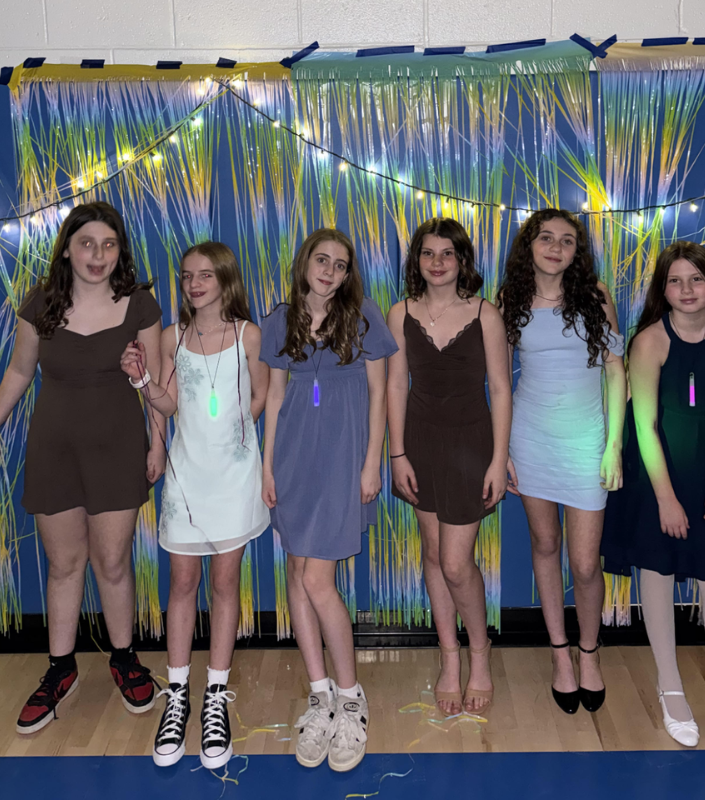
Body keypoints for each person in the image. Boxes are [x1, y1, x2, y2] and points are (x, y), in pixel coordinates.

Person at [0, 202, 163, 733]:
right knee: (63, 565)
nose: (97, 255)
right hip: (53, 450)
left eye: (108, 245)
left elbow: (156, 385)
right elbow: (17, 371)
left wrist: (159, 444)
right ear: (68, 249)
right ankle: (60, 668)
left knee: (113, 562)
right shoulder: (41, 304)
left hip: (118, 449)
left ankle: (124, 659)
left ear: (119, 250)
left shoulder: (140, 306)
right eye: (86, 244)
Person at [601, 242, 705, 763]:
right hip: (658, 473)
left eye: (697, 279)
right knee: (659, 575)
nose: (687, 290)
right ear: (661, 289)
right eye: (675, 281)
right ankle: (670, 688)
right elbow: (643, 425)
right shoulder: (649, 342)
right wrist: (665, 499)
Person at [120, 242, 270, 769]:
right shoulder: (171, 337)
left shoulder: (250, 335)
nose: (194, 284)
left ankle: (215, 697)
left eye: (205, 275)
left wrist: (236, 437)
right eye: (186, 276)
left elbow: (260, 401)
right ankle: (178, 693)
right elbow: (168, 402)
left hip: (233, 476)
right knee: (183, 583)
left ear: (226, 279)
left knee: (225, 584)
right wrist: (142, 381)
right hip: (186, 478)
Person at [260, 228, 396, 772]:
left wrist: (372, 462)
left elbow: (380, 393)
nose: (330, 272)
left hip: (343, 458)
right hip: (292, 457)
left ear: (348, 274)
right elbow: (273, 394)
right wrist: (267, 466)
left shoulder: (363, 316)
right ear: (305, 263)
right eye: (323, 260)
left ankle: (350, 696)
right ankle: (318, 694)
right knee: (297, 573)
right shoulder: (279, 319)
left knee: (318, 579)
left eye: (341, 265)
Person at [497, 208, 626, 715]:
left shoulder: (594, 295)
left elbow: (616, 373)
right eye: (545, 238)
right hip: (530, 438)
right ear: (529, 245)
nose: (556, 247)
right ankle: (560, 656)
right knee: (545, 545)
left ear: (578, 251)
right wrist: (501, 448)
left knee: (585, 561)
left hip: (587, 441)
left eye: (567, 240)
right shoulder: (508, 300)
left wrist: (614, 443)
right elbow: (501, 381)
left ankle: (589, 652)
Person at [387, 218, 512, 717]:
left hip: (470, 444)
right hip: (418, 443)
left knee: (458, 563)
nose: (437, 262)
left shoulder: (486, 314)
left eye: (447, 253)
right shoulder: (400, 313)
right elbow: (396, 386)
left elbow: (501, 390)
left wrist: (499, 461)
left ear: (463, 260)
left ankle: (480, 653)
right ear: (416, 261)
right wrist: (396, 453)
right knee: (435, 557)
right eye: (427, 253)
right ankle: (450, 658)